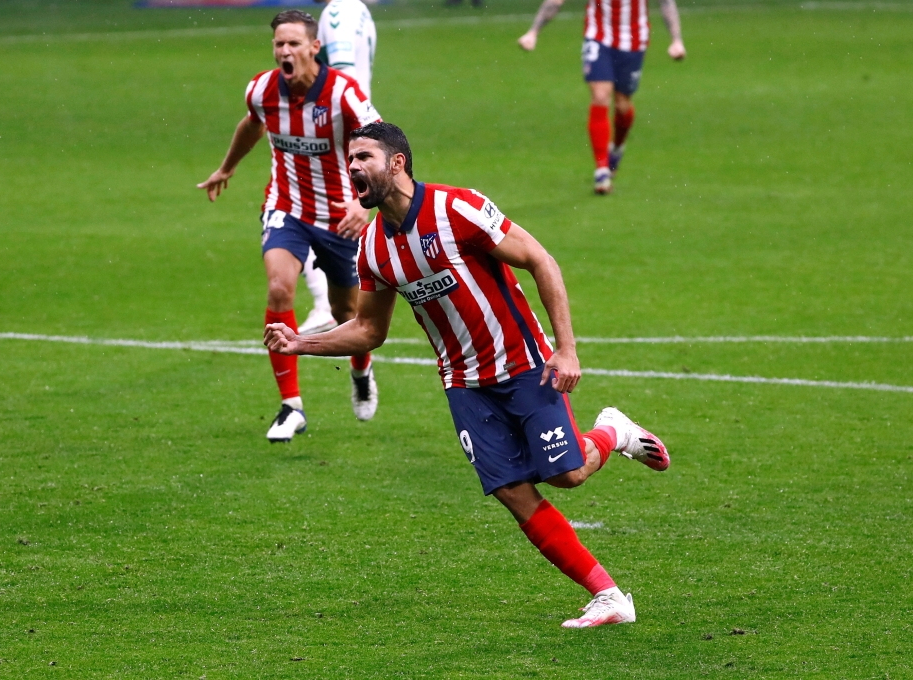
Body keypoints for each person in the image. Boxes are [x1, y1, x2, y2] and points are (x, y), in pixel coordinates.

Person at [265, 122, 671, 628]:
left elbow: (540, 260)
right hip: (463, 384)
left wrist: (566, 349)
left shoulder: (456, 208)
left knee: (566, 475)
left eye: (364, 157)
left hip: (523, 364)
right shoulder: (371, 248)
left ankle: (614, 431)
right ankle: (609, 596)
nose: (352, 167)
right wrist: (301, 342)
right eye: (349, 159)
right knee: (512, 491)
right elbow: (369, 329)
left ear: (397, 163)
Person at [197, 10, 383, 442]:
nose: (285, 50)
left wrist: (364, 204)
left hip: (340, 216)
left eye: (294, 43)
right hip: (287, 207)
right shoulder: (262, 89)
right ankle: (291, 406)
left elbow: (381, 144)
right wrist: (227, 167)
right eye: (279, 43)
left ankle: (361, 371)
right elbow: (253, 124)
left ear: (314, 47)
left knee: (346, 313)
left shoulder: (343, 94)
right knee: (280, 288)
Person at [518, 0, 686, 194]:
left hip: (633, 40)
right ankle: (602, 171)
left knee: (622, 105)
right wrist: (534, 32)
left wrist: (676, 39)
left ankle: (617, 148)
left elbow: (666, 2)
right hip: (598, 36)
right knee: (600, 95)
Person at [295, 0, 379, 336]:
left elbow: (343, 78)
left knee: (300, 207)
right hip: (352, 128)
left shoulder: (336, 14)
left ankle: (326, 303)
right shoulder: (356, 8)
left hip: (340, 132)